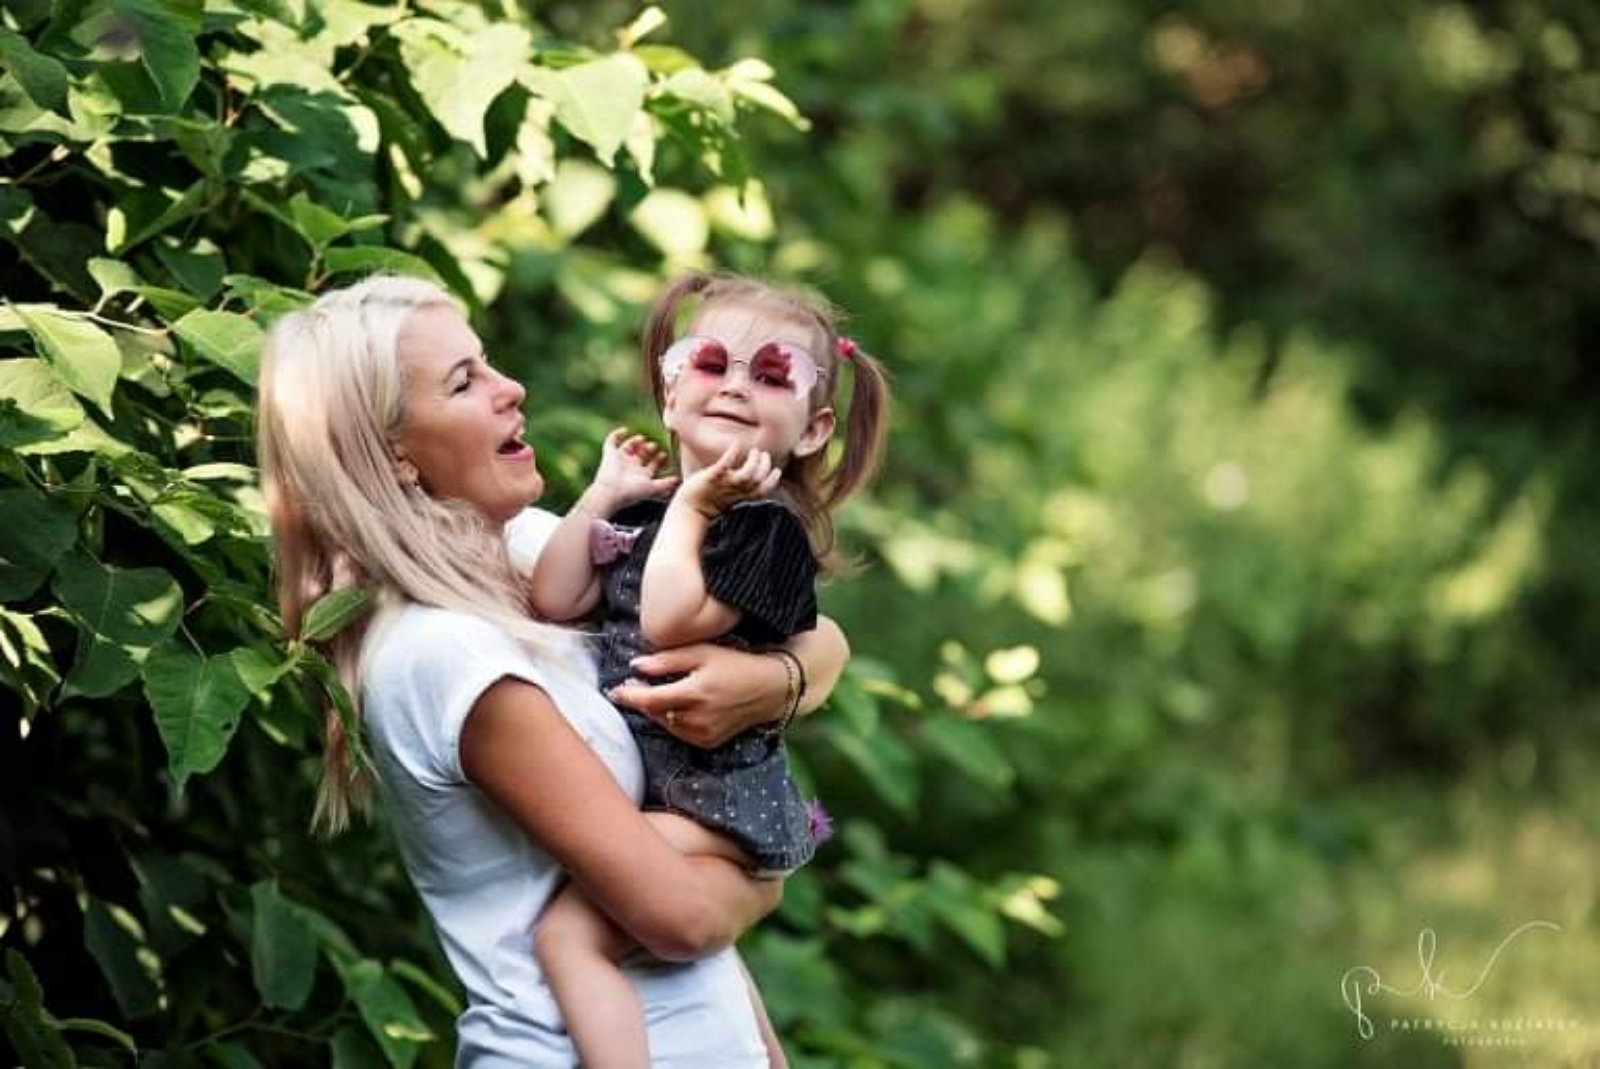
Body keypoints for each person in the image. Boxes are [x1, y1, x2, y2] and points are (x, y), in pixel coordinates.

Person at [255, 274, 852, 1069]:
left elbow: (822, 633)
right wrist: (769, 870)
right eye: (466, 382)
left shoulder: (527, 549)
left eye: (489, 361)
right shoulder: (441, 652)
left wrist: (777, 679)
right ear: (392, 451)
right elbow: (674, 915)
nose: (513, 389)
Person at [527, 273, 891, 1069]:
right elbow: (553, 597)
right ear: (667, 392)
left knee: (567, 932)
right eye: (712, 362)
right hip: (676, 785)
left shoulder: (764, 529)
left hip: (717, 799)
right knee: (703, 961)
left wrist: (691, 509)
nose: (734, 385)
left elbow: (672, 619)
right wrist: (600, 496)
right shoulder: (650, 507)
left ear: (811, 429)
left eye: (770, 375)